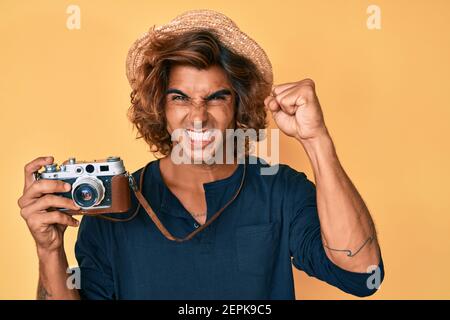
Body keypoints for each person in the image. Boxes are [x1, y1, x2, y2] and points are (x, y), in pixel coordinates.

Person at [18, 9, 384, 300]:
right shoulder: (113, 203)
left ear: (238, 106)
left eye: (216, 97)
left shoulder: (280, 190)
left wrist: (316, 139)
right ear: (159, 106)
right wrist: (49, 250)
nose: (197, 116)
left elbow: (363, 275)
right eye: (180, 97)